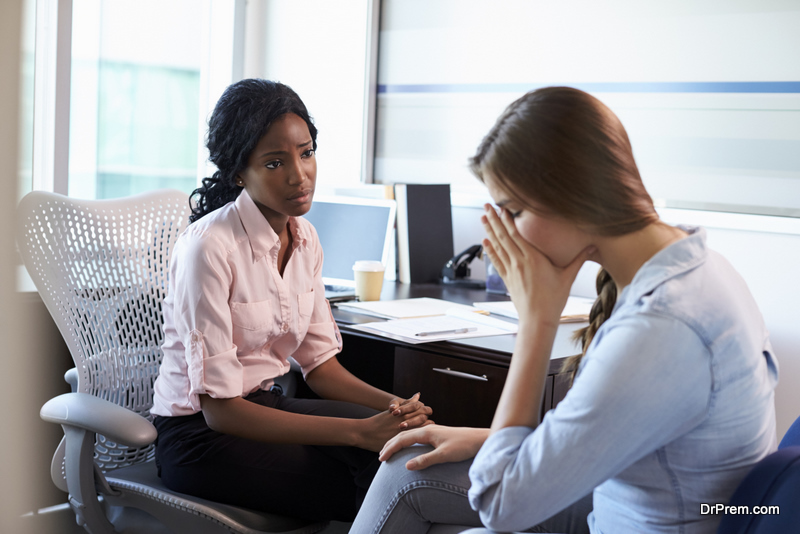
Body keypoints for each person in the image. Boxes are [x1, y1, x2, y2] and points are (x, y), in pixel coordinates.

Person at [349, 86, 778, 534]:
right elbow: (611, 435)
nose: (504, 237)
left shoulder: (660, 330)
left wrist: (537, 321)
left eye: (513, 212)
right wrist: (487, 439)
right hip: (628, 500)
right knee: (408, 467)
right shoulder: (696, 262)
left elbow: (501, 505)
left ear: (571, 195)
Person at [150, 79, 431, 522]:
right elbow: (221, 412)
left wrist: (395, 407)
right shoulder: (208, 248)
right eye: (275, 162)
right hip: (199, 437)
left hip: (265, 407)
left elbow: (321, 368)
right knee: (382, 478)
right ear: (240, 172)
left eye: (306, 152)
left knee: (409, 447)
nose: (299, 175)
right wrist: (359, 432)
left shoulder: (305, 238)